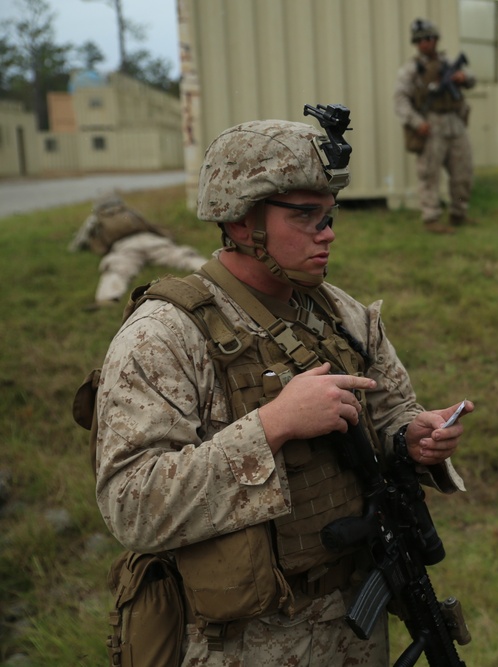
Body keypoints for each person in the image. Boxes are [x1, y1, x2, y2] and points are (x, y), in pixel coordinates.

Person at [93, 116, 471, 665]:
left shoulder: (342, 314)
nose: (328, 231)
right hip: (241, 644)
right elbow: (131, 505)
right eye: (305, 214)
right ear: (244, 223)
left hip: (352, 626)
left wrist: (411, 437)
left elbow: (392, 412)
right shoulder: (165, 334)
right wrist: (273, 426)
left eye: (330, 213)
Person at [393, 18, 475, 234]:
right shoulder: (411, 69)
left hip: (455, 122)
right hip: (431, 124)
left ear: (436, 39)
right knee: (429, 174)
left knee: (463, 172)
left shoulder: (448, 62)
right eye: (420, 40)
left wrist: (462, 77)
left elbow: (472, 79)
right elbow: (400, 100)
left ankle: (459, 213)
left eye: (429, 38)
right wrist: (417, 122)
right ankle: (431, 218)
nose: (425, 43)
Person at [68, 192, 208, 308]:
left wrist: (75, 249)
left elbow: (80, 240)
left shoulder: (95, 218)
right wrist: (168, 236)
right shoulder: (127, 211)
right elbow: (148, 225)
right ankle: (208, 269)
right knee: (180, 256)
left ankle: (108, 297)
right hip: (149, 239)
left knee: (118, 268)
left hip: (124, 246)